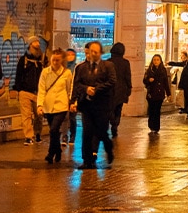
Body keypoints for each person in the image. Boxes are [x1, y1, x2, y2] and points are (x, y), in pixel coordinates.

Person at [72, 41, 117, 169]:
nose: (93, 54)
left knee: (101, 132)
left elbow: (112, 81)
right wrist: (86, 89)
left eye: (96, 52)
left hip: (102, 105)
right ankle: (87, 160)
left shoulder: (108, 66)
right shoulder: (81, 68)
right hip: (87, 105)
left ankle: (109, 149)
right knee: (87, 132)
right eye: (91, 51)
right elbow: (77, 84)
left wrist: (96, 89)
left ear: (100, 53)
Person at [36, 49, 72, 163]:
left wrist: (71, 103)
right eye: (53, 60)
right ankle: (58, 151)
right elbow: (41, 89)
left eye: (57, 60)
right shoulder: (45, 72)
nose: (55, 62)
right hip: (48, 106)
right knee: (54, 131)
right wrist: (39, 105)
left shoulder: (67, 73)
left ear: (62, 60)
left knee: (53, 129)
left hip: (61, 106)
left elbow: (70, 89)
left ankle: (51, 153)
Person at [13, 37, 45, 144]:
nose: (38, 44)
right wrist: (18, 89)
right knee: (26, 115)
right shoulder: (24, 59)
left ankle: (37, 134)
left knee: (38, 115)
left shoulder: (43, 58)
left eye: (38, 42)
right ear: (31, 44)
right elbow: (18, 75)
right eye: (35, 42)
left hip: (38, 92)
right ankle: (28, 136)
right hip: (25, 91)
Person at [107, 42, 132, 138]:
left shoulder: (108, 62)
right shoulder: (125, 63)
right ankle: (115, 124)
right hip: (122, 89)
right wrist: (129, 88)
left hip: (110, 90)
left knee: (110, 109)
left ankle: (113, 122)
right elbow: (127, 77)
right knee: (118, 108)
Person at [143, 55, 170, 134]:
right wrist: (149, 80)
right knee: (151, 110)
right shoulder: (149, 70)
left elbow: (165, 83)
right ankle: (151, 125)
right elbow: (144, 81)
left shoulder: (163, 70)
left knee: (157, 110)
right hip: (151, 93)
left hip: (159, 93)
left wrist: (168, 93)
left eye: (157, 60)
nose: (156, 61)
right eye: (154, 60)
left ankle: (156, 127)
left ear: (160, 61)